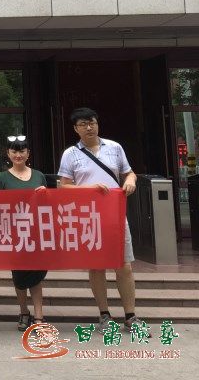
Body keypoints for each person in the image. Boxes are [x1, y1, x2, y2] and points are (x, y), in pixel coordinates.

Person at [57, 107, 146, 335]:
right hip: (88, 217)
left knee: (124, 265)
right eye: (83, 124)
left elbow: (129, 173)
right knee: (96, 267)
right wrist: (89, 189)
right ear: (75, 129)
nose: (89, 127)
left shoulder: (114, 148)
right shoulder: (70, 154)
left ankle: (130, 316)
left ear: (97, 124)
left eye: (92, 122)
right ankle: (104, 315)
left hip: (115, 215)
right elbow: (63, 186)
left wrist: (131, 181)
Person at [0, 136, 48, 331]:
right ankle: (24, 311)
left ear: (28, 153)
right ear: (8, 154)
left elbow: (48, 205)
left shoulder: (39, 176)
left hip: (35, 233)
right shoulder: (2, 178)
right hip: (14, 234)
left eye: (22, 151)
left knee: (36, 276)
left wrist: (45, 194)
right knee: (19, 276)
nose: (18, 155)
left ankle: (39, 315)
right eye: (14, 151)